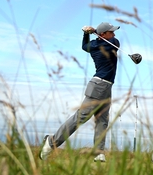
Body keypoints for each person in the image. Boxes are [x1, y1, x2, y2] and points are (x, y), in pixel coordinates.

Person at [39, 22, 121, 162]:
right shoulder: (108, 44)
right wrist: (94, 31)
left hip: (105, 87)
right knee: (80, 118)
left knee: (102, 121)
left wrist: (86, 34)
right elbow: (116, 42)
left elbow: (85, 46)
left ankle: (99, 153)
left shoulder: (95, 45)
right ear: (103, 35)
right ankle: (51, 143)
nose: (114, 34)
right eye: (110, 32)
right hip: (99, 87)